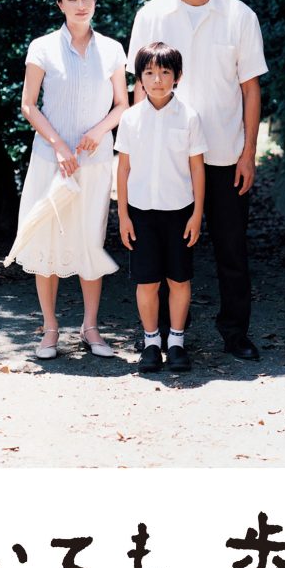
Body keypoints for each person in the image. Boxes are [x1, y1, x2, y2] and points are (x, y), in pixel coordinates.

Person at [127, 0, 268, 360]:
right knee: (164, 254)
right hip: (165, 160)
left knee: (231, 248)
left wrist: (249, 153)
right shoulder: (151, 15)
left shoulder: (240, 16)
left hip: (225, 152)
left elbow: (250, 88)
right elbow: (138, 88)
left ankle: (235, 333)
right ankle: (164, 336)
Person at [12, 0, 128, 360]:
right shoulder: (42, 47)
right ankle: (49, 329)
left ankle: (91, 328)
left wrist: (99, 131)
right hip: (50, 160)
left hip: (94, 162)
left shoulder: (112, 49)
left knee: (89, 239)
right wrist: (60, 146)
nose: (81, 5)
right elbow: (29, 105)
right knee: (47, 237)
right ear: (60, 4)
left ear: (96, 0)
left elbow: (123, 104)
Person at [115, 42, 207, 373]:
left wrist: (197, 214)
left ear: (177, 77)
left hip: (180, 211)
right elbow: (123, 169)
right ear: (139, 78)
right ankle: (152, 342)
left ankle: (177, 342)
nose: (157, 80)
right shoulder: (130, 119)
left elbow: (197, 168)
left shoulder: (189, 117)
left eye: (165, 72)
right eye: (150, 73)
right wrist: (123, 216)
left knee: (180, 280)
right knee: (147, 282)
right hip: (141, 213)